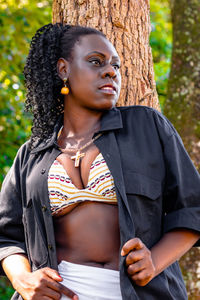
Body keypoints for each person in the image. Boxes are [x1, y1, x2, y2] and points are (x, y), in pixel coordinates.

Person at [0, 23, 200, 300]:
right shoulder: (32, 154)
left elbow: (192, 209)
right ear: (63, 70)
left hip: (139, 294)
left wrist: (154, 260)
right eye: (96, 61)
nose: (110, 71)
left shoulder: (146, 126)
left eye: (115, 66)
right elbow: (6, 237)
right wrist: (23, 279)